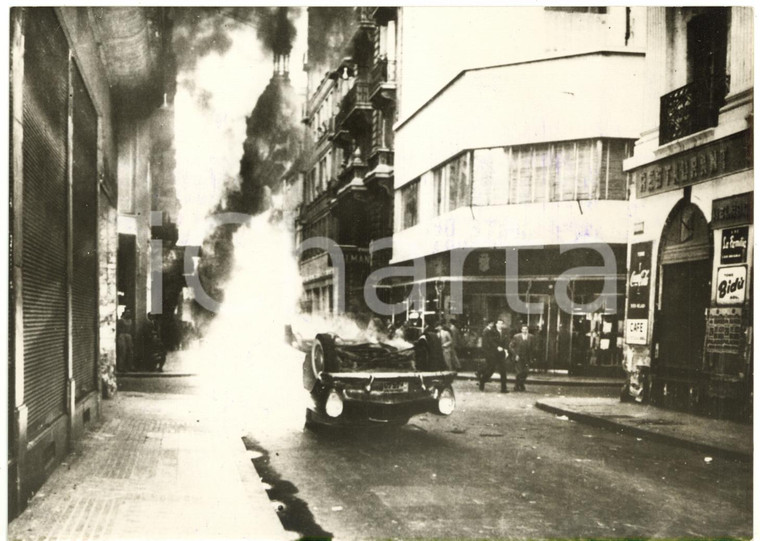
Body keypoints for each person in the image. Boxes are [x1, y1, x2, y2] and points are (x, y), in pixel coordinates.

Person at [479, 319, 508, 393]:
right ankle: (482, 381)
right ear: (496, 324)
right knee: (491, 369)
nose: (500, 325)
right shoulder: (492, 332)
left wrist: (505, 349)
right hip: (493, 354)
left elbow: (506, 342)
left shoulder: (504, 332)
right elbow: (490, 341)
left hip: (501, 354)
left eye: (502, 324)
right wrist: (497, 347)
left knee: (503, 371)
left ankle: (503, 388)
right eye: (499, 323)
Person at [509, 323, 536, 392]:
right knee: (519, 372)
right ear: (521, 330)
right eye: (523, 329)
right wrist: (515, 355)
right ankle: (516, 386)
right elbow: (511, 346)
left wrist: (532, 357)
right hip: (519, 356)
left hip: (527, 357)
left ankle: (521, 384)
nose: (524, 330)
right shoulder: (516, 337)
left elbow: (533, 348)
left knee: (526, 372)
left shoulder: (531, 337)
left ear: (528, 330)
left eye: (526, 329)